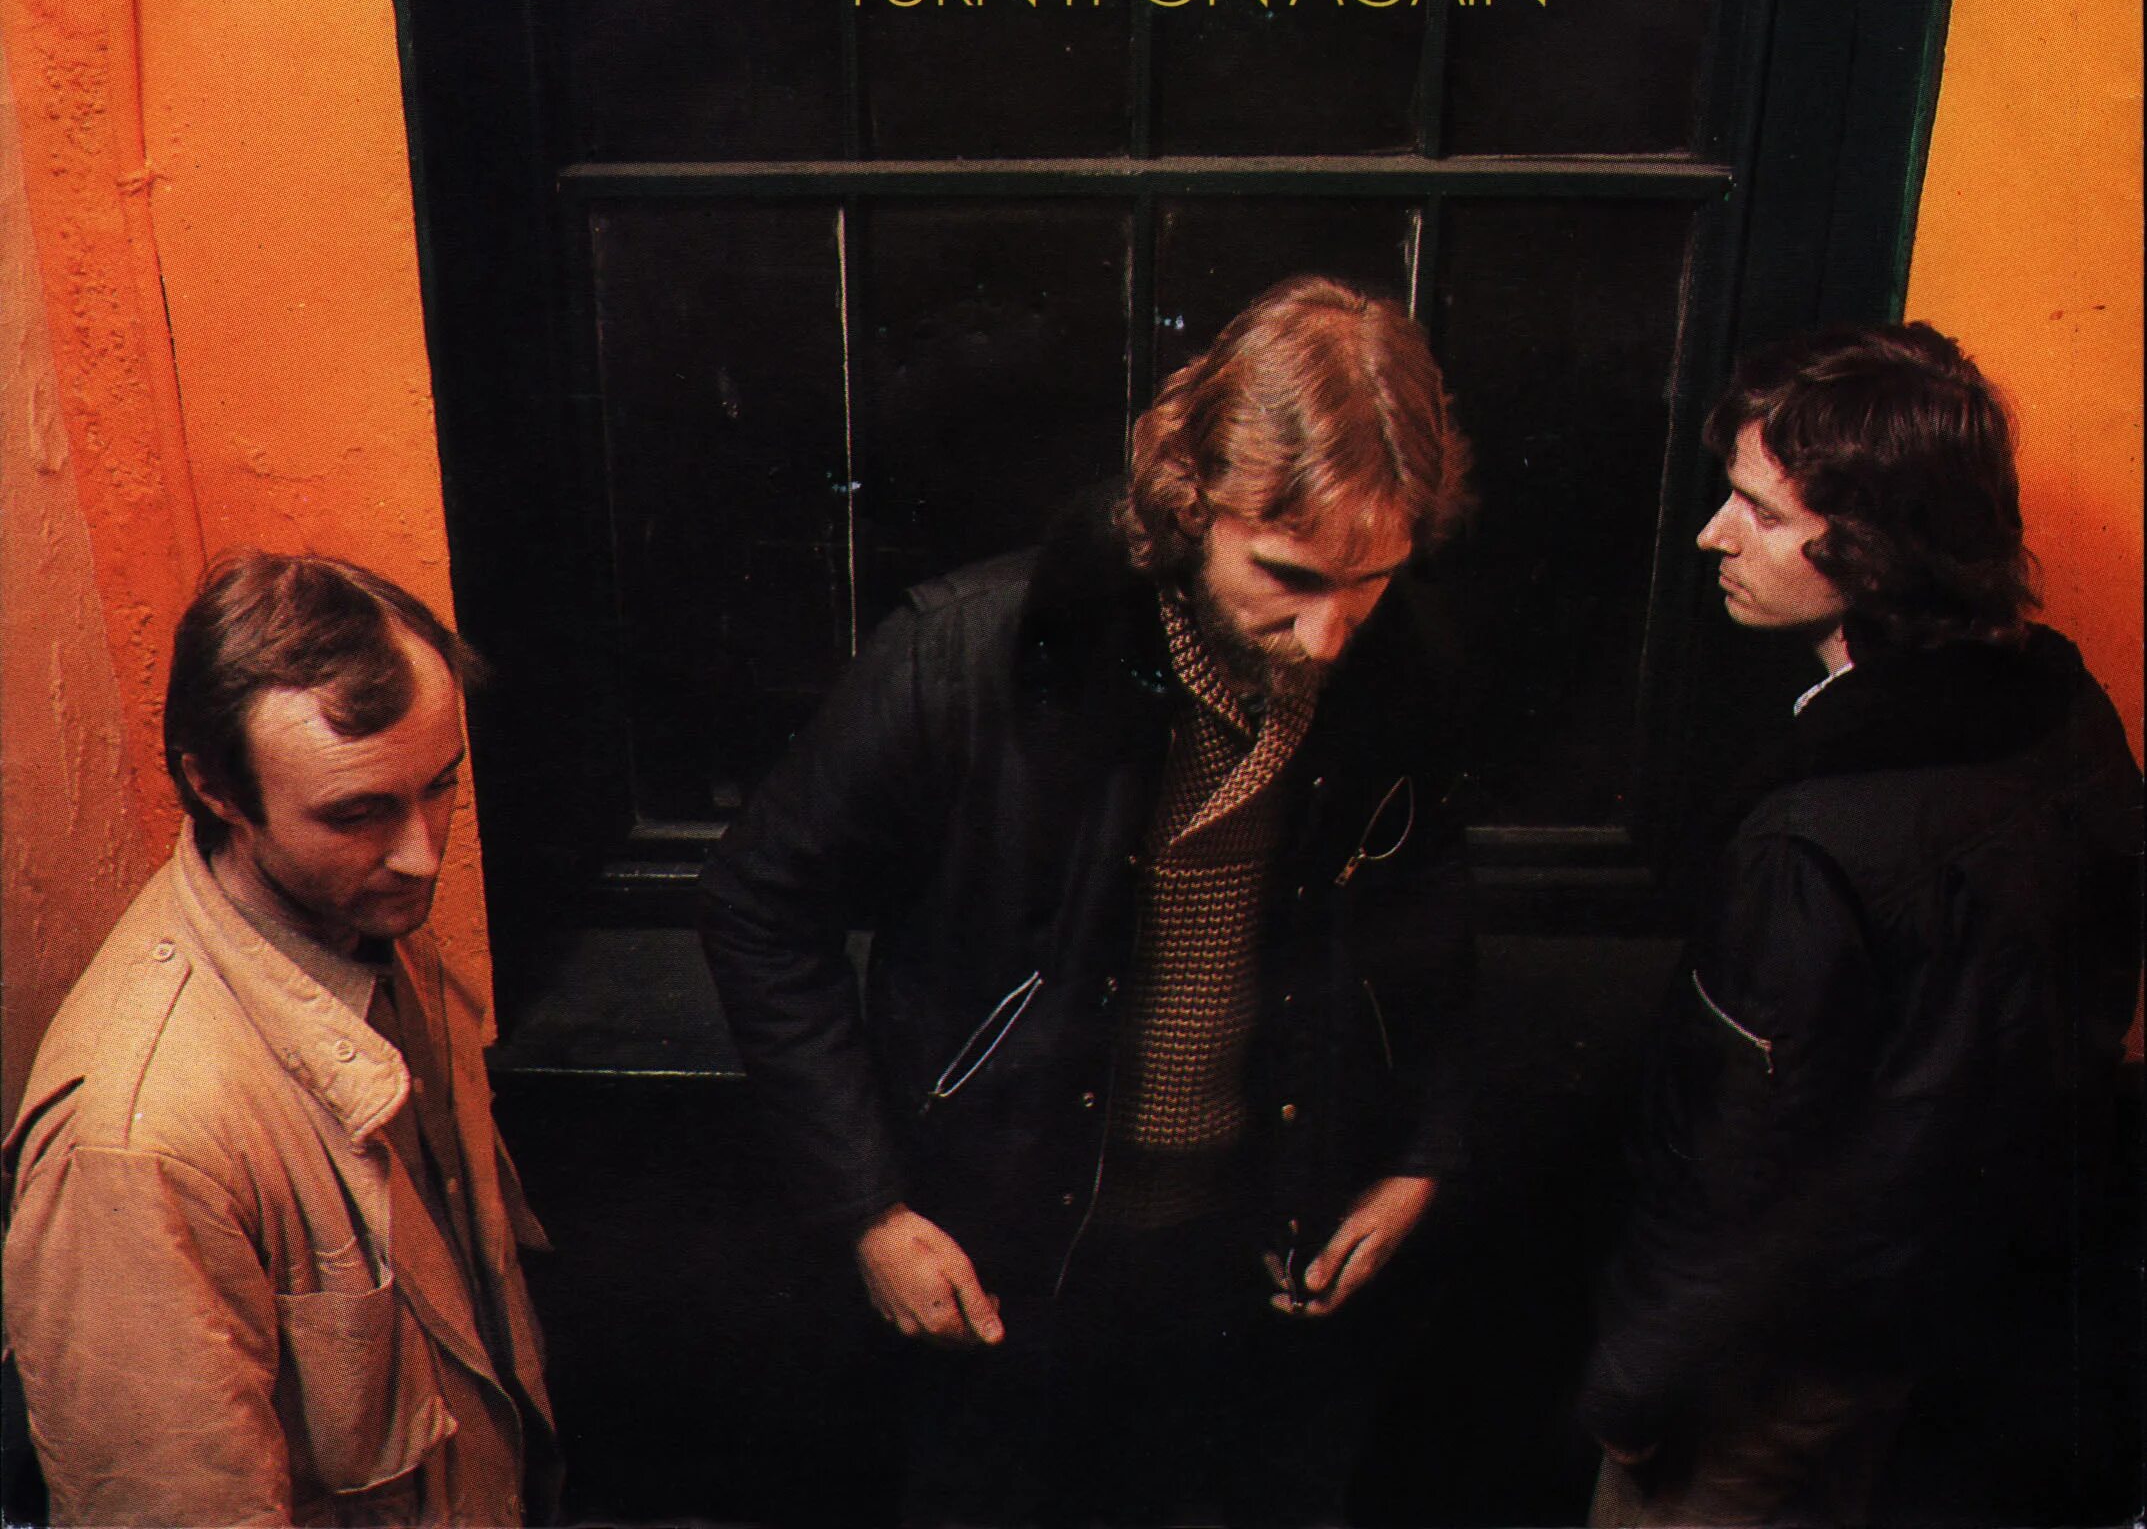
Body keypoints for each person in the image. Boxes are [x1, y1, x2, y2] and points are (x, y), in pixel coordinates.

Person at [702, 275, 1476, 1526]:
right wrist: (868, 1209)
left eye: (1371, 580)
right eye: (1286, 575)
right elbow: (758, 908)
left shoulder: (1405, 664)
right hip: (1002, 1253)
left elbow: (1426, 914)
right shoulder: (964, 654)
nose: (1329, 635)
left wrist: (1421, 1156)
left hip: (1257, 1247)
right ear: (1188, 500)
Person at [1580, 323, 2142, 1526]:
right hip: (1955, 1333)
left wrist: (1630, 1388)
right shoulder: (2068, 710)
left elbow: (1735, 1173)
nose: (1712, 534)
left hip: (1767, 1373)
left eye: (1758, 510)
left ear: (1877, 552)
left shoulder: (1812, 838)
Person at [5, 553, 558, 1527]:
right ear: (215, 788)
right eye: (357, 814)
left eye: (439, 787)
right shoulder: (136, 1148)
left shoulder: (363, 914)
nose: (422, 854)